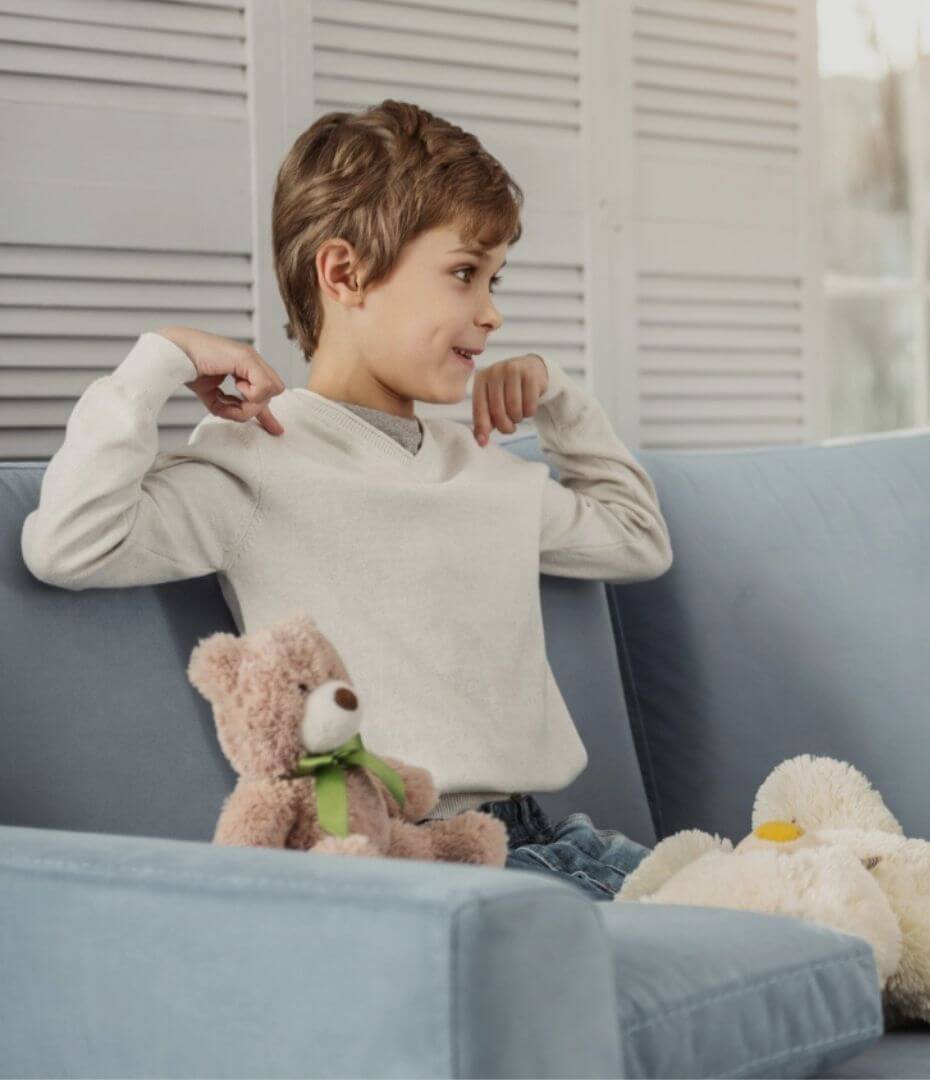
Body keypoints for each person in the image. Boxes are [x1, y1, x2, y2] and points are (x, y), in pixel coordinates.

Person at [20, 100, 667, 903]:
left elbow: (639, 541)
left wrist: (558, 398)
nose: (491, 312)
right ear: (344, 272)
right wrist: (161, 359)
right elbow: (70, 544)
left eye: (496, 280)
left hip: (549, 840)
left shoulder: (484, 468)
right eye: (465, 273)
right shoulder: (258, 461)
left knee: (805, 916)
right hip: (408, 859)